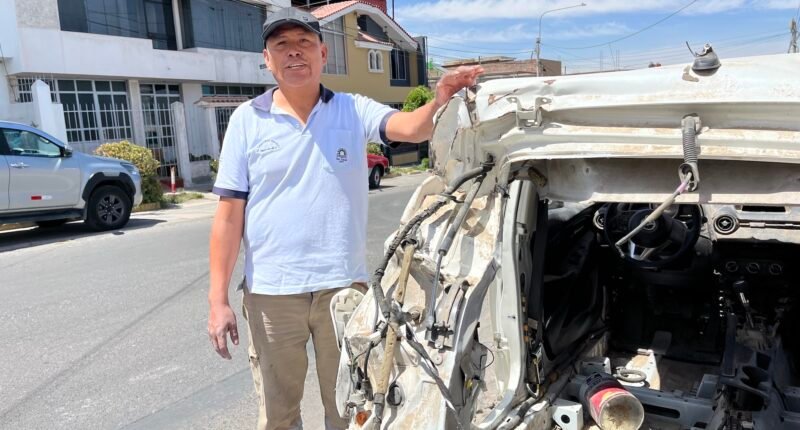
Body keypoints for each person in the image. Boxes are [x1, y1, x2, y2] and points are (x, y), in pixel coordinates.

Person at [207, 7, 483, 430]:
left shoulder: (353, 110)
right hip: (271, 294)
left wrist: (439, 101)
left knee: (350, 407)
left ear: (322, 54)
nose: (293, 53)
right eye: (282, 45)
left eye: (303, 44)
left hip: (343, 289)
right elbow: (229, 216)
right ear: (267, 58)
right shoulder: (247, 120)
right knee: (279, 416)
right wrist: (218, 299)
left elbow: (409, 127)